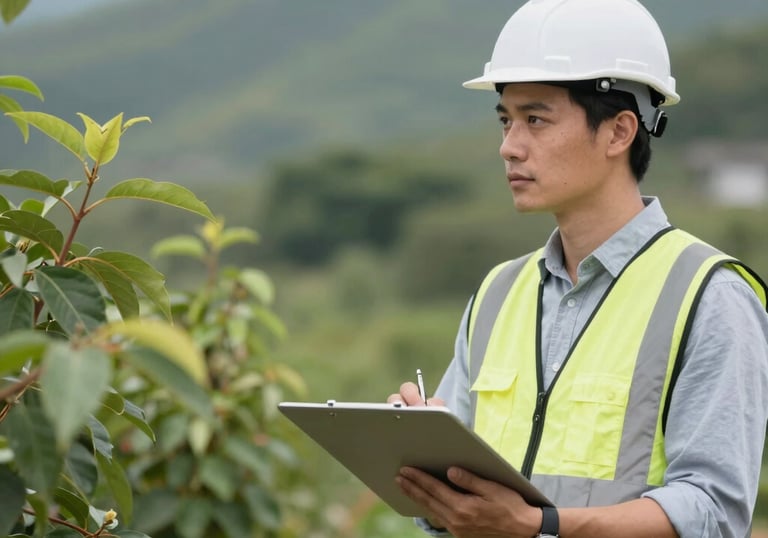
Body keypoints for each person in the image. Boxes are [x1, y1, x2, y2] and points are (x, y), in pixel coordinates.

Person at [387, 0, 768, 537]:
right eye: (505, 121)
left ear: (619, 132)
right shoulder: (497, 294)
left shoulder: (710, 295)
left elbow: (712, 511)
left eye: (536, 120)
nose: (508, 147)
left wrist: (540, 526)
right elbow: (462, 509)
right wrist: (426, 461)